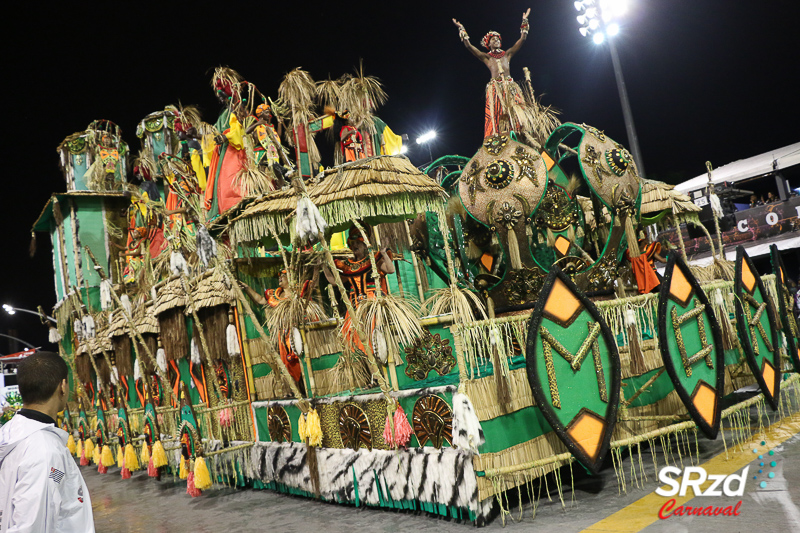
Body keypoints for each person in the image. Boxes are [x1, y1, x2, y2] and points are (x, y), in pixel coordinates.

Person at [0, 351, 95, 532]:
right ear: (63, 386)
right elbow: (33, 526)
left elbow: (53, 483)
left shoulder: (11, 432)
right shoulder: (43, 452)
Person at [453, 9, 530, 138]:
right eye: (493, 40)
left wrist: (525, 20)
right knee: (498, 115)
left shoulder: (508, 54)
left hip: (510, 87)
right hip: (496, 89)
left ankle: (521, 134)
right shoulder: (487, 57)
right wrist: (461, 28)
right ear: (488, 43)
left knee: (517, 113)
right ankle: (499, 136)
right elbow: (469, 46)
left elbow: (522, 38)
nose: (497, 41)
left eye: (498, 39)